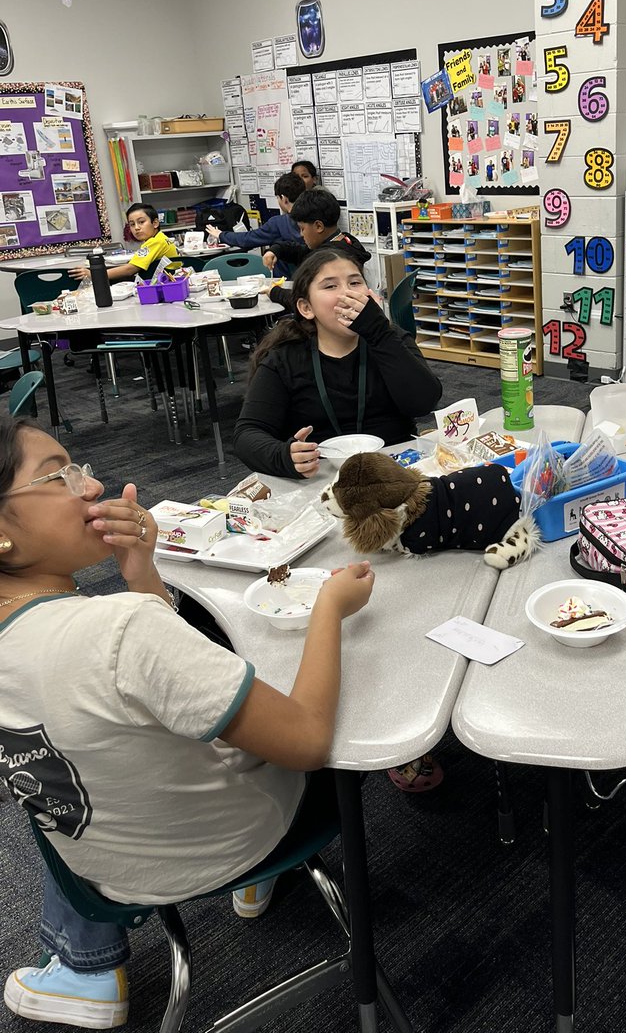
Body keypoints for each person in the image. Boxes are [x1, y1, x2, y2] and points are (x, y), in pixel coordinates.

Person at [0, 416, 375, 1028]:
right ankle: (262, 876)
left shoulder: (90, 629)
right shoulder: (119, 629)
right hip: (228, 838)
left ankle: (82, 965)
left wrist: (141, 571)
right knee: (369, 722)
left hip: (107, 868)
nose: (90, 488)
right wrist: (329, 610)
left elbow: (132, 692)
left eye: (80, 469)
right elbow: (305, 740)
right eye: (56, 477)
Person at [233, 247, 441, 478]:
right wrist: (283, 456)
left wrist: (378, 332)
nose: (347, 294)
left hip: (396, 469)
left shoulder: (391, 339)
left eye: (355, 283)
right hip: (321, 477)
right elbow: (247, 434)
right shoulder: (285, 358)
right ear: (306, 308)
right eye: (330, 286)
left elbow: (424, 403)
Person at [262, 188, 371, 306]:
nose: (301, 234)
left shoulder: (330, 259)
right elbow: (302, 251)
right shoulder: (345, 240)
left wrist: (274, 292)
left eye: (302, 228)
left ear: (318, 226)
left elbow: (306, 300)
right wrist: (276, 250)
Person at [206, 172, 304, 276]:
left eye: (277, 198)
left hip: (285, 282)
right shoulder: (314, 218)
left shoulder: (279, 223)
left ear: (284, 198)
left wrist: (221, 235)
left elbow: (247, 239)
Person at [69, 204, 180, 283]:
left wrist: (94, 275)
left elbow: (130, 270)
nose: (136, 228)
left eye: (141, 222)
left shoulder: (154, 242)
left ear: (155, 223)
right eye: (132, 224)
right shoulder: (160, 238)